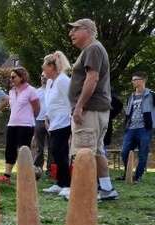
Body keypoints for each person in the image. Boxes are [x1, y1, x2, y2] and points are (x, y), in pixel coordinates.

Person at [68, 18, 118, 200]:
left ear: (88, 30)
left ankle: (83, 192)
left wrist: (79, 106)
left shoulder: (93, 48)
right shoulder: (93, 49)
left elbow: (92, 78)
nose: (70, 33)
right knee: (96, 151)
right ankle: (106, 189)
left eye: (75, 29)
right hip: (97, 109)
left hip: (90, 109)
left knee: (84, 151)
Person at [0, 67, 40, 184]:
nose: (11, 79)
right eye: (10, 77)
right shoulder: (11, 92)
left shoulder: (31, 90)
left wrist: (30, 118)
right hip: (12, 124)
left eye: (13, 77)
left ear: (22, 77)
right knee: (10, 149)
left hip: (26, 125)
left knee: (24, 150)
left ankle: (27, 175)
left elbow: (37, 108)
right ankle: (7, 176)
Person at [41, 51, 73, 197]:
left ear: (52, 67)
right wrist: (47, 117)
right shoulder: (49, 82)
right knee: (55, 152)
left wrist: (72, 123)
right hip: (54, 122)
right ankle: (59, 183)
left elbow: (71, 102)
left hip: (64, 121)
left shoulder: (63, 80)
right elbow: (49, 102)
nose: (43, 69)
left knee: (61, 152)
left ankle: (67, 184)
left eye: (45, 66)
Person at [118, 71, 152, 183]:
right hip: (131, 129)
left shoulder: (151, 95)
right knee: (124, 152)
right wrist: (126, 125)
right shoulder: (131, 97)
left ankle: (138, 176)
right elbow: (128, 113)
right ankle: (127, 174)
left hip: (144, 129)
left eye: (135, 79)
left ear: (142, 80)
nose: (133, 81)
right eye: (133, 79)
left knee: (143, 153)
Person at [32, 74, 50, 172]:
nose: (44, 78)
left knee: (52, 146)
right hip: (38, 120)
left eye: (46, 76)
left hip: (51, 121)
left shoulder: (53, 90)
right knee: (39, 147)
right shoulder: (36, 92)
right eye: (42, 76)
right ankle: (37, 168)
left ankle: (51, 169)